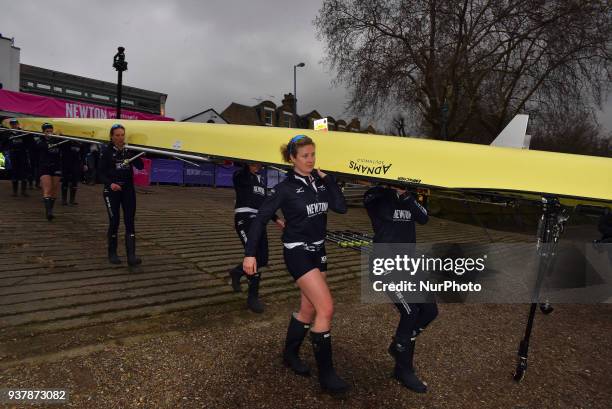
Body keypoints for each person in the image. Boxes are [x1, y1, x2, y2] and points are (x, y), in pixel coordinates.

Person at [243, 135, 350, 395]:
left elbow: (341, 207)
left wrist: (328, 179)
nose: (311, 159)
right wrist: (250, 254)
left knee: (308, 307)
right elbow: (260, 220)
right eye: (305, 155)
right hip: (297, 252)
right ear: (292, 158)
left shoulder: (320, 183)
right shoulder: (285, 188)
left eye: (313, 154)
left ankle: (290, 354)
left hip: (319, 250)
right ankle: (327, 375)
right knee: (326, 307)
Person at [363, 184, 437, 393]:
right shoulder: (374, 195)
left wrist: (406, 194)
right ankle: (404, 369)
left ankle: (399, 345)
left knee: (430, 311)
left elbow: (423, 218)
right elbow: (385, 213)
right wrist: (393, 190)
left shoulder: (408, 195)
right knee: (410, 311)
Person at [230, 162, 285, 313]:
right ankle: (252, 297)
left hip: (259, 220)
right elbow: (241, 173)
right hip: (244, 218)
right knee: (252, 256)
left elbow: (264, 202)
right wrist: (247, 164)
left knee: (263, 258)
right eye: (254, 163)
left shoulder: (260, 179)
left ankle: (236, 272)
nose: (258, 166)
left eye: (260, 164)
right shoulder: (241, 175)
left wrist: (276, 219)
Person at [98, 124, 144, 266]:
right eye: (117, 135)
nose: (120, 138)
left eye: (122, 135)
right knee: (115, 221)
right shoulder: (106, 151)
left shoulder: (128, 150)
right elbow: (99, 173)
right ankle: (112, 253)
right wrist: (110, 184)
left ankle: (131, 256)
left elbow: (140, 166)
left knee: (129, 220)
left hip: (128, 190)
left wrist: (134, 153)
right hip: (111, 190)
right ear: (111, 136)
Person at [37, 123, 63, 221]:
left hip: (56, 166)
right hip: (45, 167)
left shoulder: (58, 140)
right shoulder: (40, 141)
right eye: (47, 131)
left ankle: (51, 209)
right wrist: (51, 140)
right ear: (43, 132)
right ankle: (48, 212)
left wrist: (61, 137)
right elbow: (41, 147)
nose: (49, 133)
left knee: (54, 190)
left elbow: (65, 148)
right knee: (47, 189)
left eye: (51, 131)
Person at [2, 119, 29, 197]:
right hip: (13, 154)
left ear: (18, 124)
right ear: (11, 125)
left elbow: (29, 142)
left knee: (24, 172)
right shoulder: (7, 133)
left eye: (15, 124)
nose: (14, 125)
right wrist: (5, 152)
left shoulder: (23, 132)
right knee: (14, 172)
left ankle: (23, 191)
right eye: (13, 124)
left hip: (22, 154)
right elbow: (3, 144)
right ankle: (15, 191)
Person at [61, 140, 86, 205]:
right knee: (65, 180)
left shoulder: (80, 143)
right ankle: (64, 199)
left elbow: (83, 154)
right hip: (65, 163)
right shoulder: (66, 141)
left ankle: (72, 199)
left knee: (74, 181)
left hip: (76, 164)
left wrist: (83, 164)